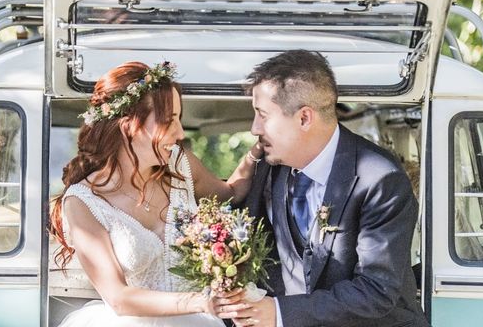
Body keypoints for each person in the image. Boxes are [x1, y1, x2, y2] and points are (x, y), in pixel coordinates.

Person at [217, 50, 429, 327]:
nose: (255, 128)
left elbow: (376, 291)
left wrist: (280, 313)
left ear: (304, 118)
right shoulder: (268, 166)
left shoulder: (379, 178)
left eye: (263, 115)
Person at [50, 61, 261, 326]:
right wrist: (199, 301)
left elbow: (231, 193)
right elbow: (118, 298)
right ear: (129, 126)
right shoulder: (82, 203)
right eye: (168, 121)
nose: (180, 133)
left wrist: (259, 149)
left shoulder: (180, 163)